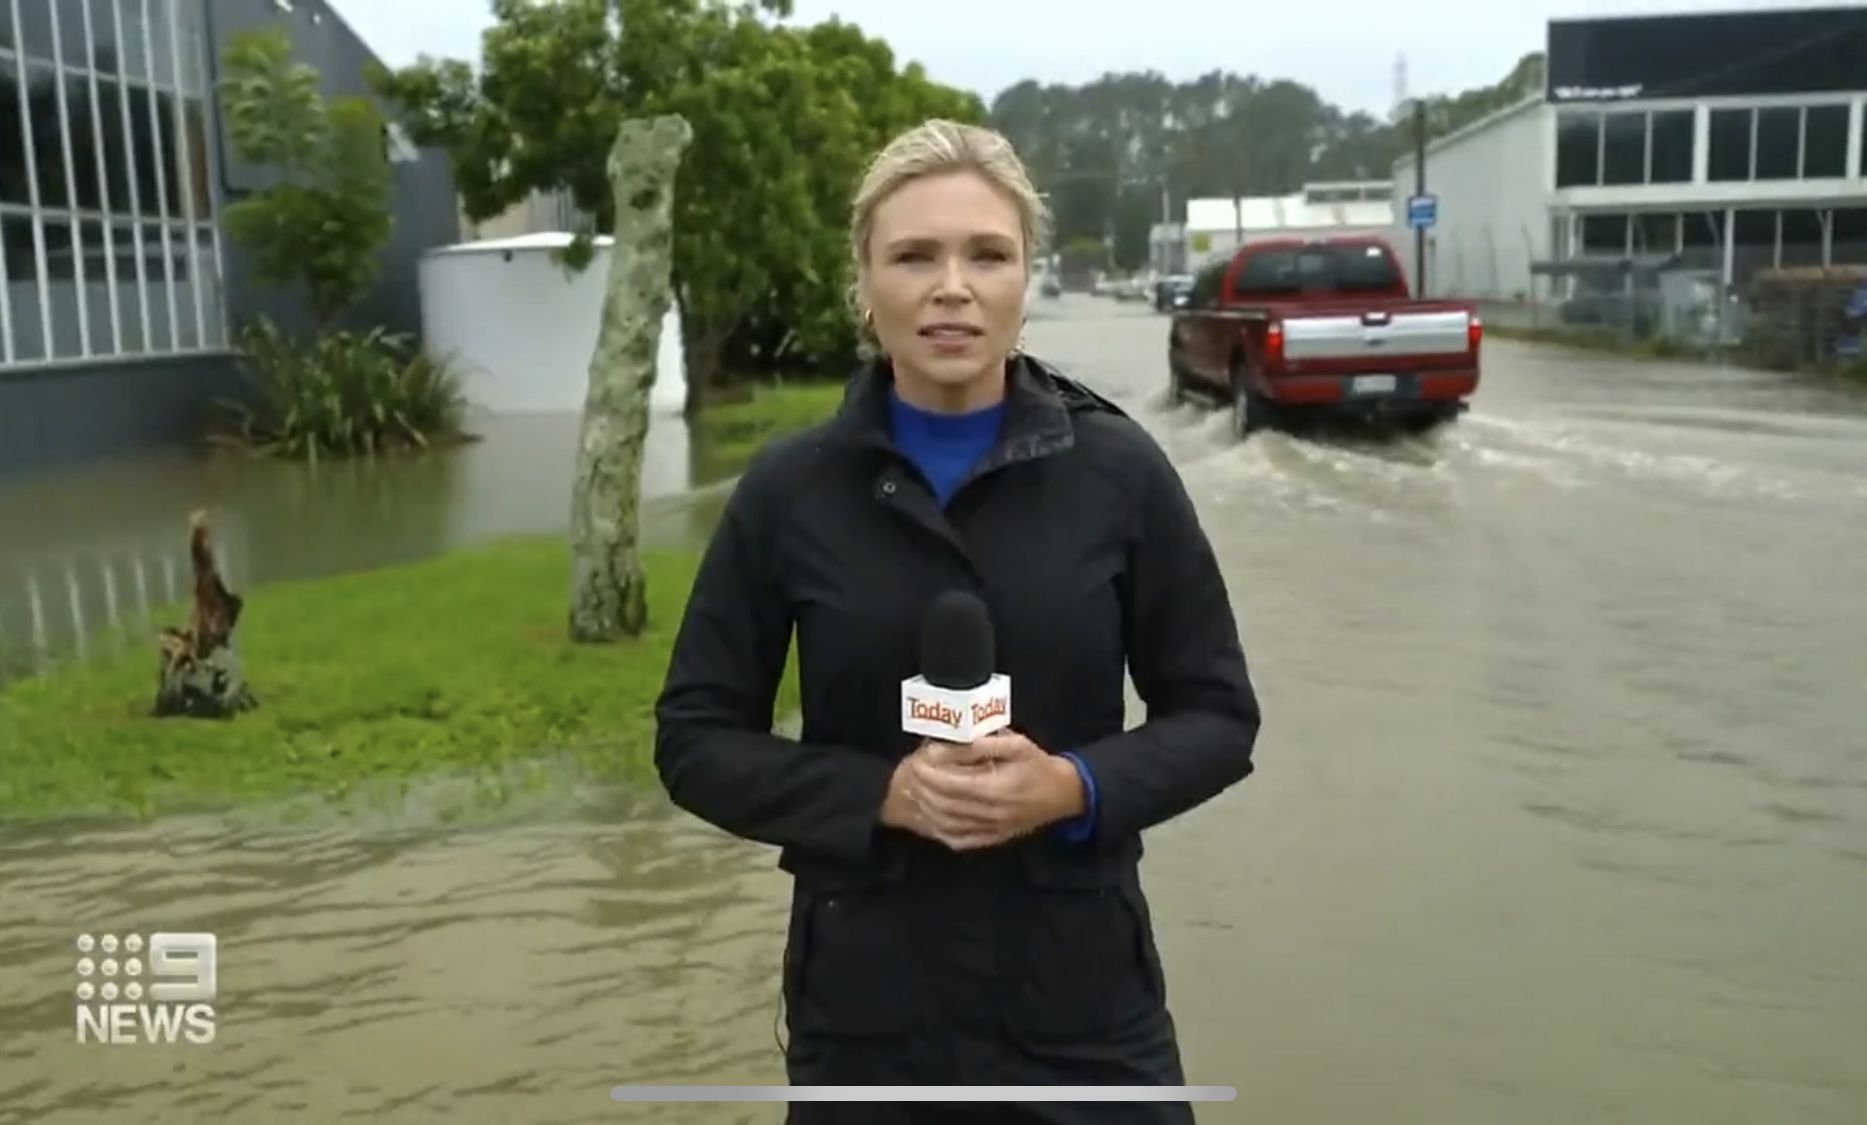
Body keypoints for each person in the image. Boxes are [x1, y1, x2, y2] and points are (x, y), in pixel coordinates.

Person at [653, 119, 1261, 1123]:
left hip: (1083, 1013)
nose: (952, 286)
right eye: (913, 257)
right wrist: (880, 796)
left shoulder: (1119, 475)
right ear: (864, 282)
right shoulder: (789, 492)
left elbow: (1218, 717)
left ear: (1026, 277)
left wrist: (1072, 787)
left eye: (986, 254)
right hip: (865, 1019)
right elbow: (694, 739)